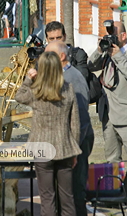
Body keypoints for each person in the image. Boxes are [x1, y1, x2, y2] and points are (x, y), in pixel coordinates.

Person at [87, 21, 127, 212]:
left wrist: (118, 56)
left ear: (123, 36)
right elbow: (90, 65)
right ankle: (116, 195)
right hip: (109, 115)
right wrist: (100, 49)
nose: (112, 39)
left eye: (115, 34)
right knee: (112, 158)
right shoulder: (108, 50)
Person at [15, 51, 81, 216]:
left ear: (41, 69)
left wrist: (29, 79)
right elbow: (75, 124)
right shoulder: (69, 90)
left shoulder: (36, 91)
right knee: (67, 199)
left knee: (47, 198)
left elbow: (19, 96)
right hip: (65, 149)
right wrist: (75, 151)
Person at [45, 41, 94, 216]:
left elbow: (80, 118)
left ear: (61, 57)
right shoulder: (58, 76)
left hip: (75, 146)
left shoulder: (72, 78)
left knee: (74, 194)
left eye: (48, 55)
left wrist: (73, 150)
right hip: (63, 147)